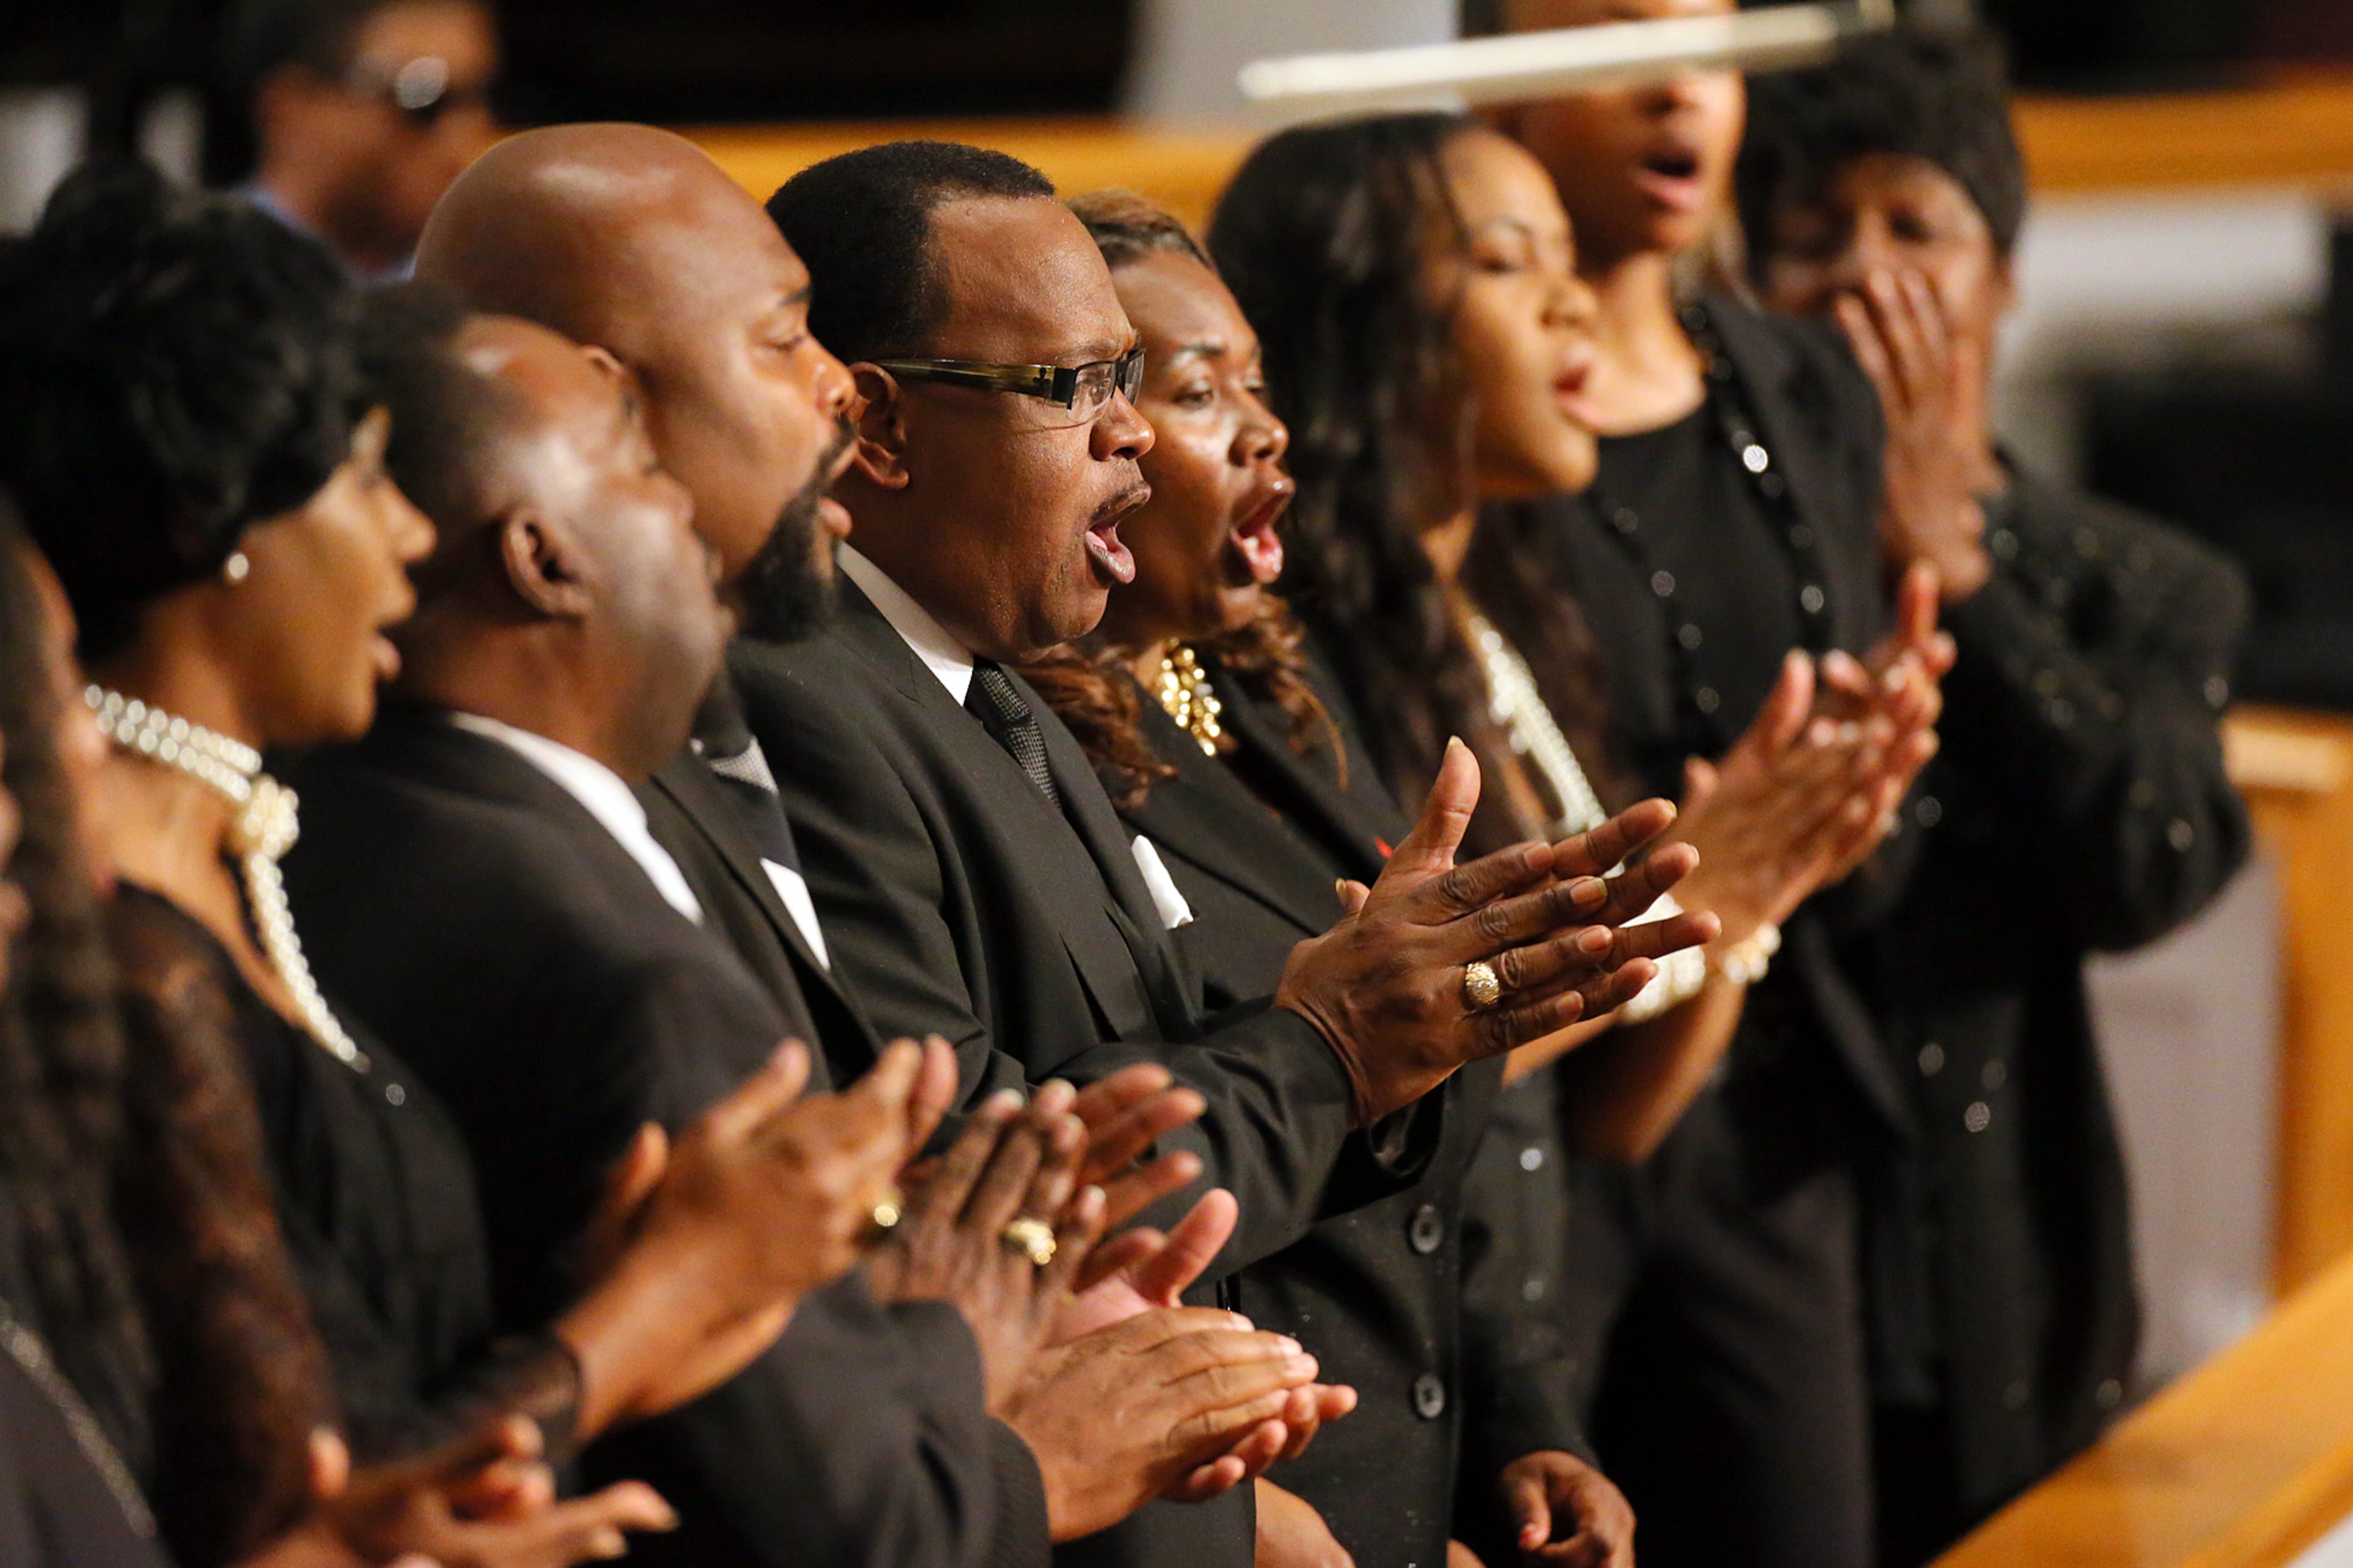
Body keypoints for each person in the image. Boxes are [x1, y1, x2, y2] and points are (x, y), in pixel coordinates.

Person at [0, 161, 1060, 1567]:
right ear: (223, 524)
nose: (403, 532)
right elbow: (295, 1501)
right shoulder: (143, 952)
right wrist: (664, 1298)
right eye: (363, 475)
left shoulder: (263, 844)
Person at [738, 139, 1716, 1567]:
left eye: (1144, 385)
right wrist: (1329, 1040)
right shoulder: (815, 703)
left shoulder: (993, 684)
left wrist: (1505, 1420)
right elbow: (979, 1184)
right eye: (1077, 386)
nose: (1127, 432)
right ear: (876, 427)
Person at [286, 292, 1335, 1562]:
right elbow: (841, 1523)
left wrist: (929, 1305)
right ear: (541, 555)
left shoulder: (383, 828)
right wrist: (1028, 1429)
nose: (681, 504)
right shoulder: (600, 957)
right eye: (635, 463)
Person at [1207, 113, 1941, 1566]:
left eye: (1563, 257)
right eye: (1501, 260)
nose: (1566, 300)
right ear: (1357, 323)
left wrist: (1747, 893)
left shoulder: (1499, 610)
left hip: (1537, 1333)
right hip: (1386, 1376)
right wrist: (1693, 910)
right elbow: (1380, 1045)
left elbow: (1612, 1113)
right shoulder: (1291, 672)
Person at [1450, 4, 1972, 1562]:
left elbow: (1829, 822)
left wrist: (1847, 789)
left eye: (1713, 32)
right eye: (1614, 25)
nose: (1682, 83)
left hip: (1764, 1132)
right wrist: (1708, 884)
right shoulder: (1465, 402)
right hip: (1530, 1144)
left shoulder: (1792, 379)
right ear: (1489, 69)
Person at [1738, 28, 2254, 1562]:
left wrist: (1951, 564)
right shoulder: (1688, 559)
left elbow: (2144, 865)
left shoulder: (2135, 579)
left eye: (1915, 228)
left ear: (2002, 275)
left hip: (2001, 1254)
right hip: (1753, 1248)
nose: (1861, 278)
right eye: (1811, 238)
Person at [224, 0, 503, 281]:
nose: (467, 135)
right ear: (294, 105)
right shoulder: (199, 283)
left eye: (480, 98)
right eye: (424, 98)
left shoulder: (474, 291)